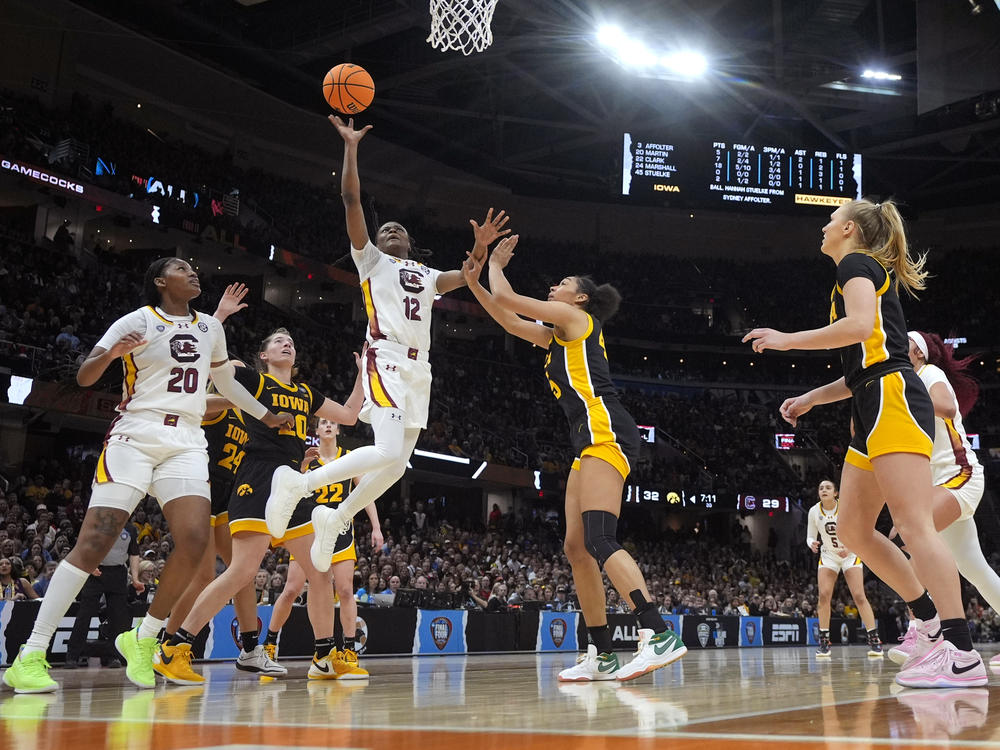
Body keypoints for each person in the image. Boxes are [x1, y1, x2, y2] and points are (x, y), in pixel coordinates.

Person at [1, 257, 289, 694]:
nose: (194, 272)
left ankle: (144, 638)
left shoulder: (211, 328)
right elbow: (84, 376)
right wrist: (112, 354)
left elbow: (225, 383)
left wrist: (265, 415)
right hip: (136, 433)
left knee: (195, 544)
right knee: (95, 541)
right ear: (160, 282)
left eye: (195, 267)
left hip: (188, 439)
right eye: (181, 268)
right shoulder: (137, 320)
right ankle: (32, 653)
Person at [744, 198, 986, 688]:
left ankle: (961, 653)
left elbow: (857, 329)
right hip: (871, 397)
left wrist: (786, 339)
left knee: (913, 524)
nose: (823, 225)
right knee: (853, 530)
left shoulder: (856, 263)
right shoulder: (857, 269)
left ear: (849, 229)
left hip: (892, 397)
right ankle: (930, 622)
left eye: (830, 220)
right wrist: (811, 398)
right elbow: (864, 362)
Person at [263, 115, 507, 575]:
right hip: (387, 356)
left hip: (422, 369)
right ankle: (299, 485)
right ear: (374, 242)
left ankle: (336, 516)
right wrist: (351, 147)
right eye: (384, 229)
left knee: (396, 465)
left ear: (411, 243)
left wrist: (478, 250)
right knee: (390, 450)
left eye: (399, 229)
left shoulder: (428, 276)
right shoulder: (371, 261)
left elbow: (467, 277)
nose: (391, 229)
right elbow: (351, 199)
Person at [462, 229, 687, 682]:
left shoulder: (574, 319)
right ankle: (601, 653)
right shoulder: (559, 338)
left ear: (579, 298)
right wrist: (474, 283)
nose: (554, 288)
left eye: (562, 283)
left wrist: (496, 268)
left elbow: (510, 299)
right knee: (576, 547)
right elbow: (507, 320)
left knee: (601, 538)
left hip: (607, 431)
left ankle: (659, 633)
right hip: (585, 446)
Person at [153, 327, 365, 685]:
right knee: (242, 572)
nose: (288, 344)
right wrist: (218, 333)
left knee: (320, 571)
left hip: (294, 483)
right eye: (279, 341)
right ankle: (175, 647)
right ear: (264, 355)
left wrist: (363, 375)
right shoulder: (253, 381)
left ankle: (325, 656)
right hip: (260, 477)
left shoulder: (304, 392)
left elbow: (348, 415)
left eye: (292, 342)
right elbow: (214, 371)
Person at [161, 284, 281, 678]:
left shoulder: (255, 420)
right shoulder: (218, 406)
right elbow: (202, 399)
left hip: (233, 497)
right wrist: (236, 395)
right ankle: (166, 644)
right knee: (203, 576)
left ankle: (250, 649)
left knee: (242, 574)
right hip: (201, 490)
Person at [888, 331, 1000, 672]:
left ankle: (922, 630)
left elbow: (948, 407)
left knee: (909, 539)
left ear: (919, 353)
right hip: (934, 487)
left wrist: (905, 394)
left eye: (903, 342)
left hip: (960, 476)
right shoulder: (901, 385)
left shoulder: (928, 375)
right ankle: (927, 631)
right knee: (976, 569)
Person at [265, 417, 382, 679]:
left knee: (345, 590)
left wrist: (376, 527)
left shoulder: (349, 458)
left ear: (338, 430)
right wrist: (304, 465)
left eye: (332, 423)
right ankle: (269, 646)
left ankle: (348, 651)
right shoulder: (308, 458)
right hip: (310, 531)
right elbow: (293, 491)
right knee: (292, 588)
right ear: (316, 430)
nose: (328, 426)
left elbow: (365, 493)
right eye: (323, 423)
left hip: (340, 531)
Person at [806, 479, 883, 658]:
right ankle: (824, 642)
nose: (823, 490)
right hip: (828, 555)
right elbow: (810, 536)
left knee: (859, 596)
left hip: (850, 553)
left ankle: (874, 639)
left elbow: (860, 531)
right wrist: (812, 544)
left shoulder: (847, 507)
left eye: (828, 488)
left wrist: (849, 547)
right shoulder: (813, 511)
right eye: (821, 488)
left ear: (836, 493)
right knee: (823, 596)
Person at [64, 522, 143, 669]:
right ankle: (72, 656)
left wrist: (136, 578)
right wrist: (90, 566)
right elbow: (83, 546)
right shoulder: (97, 522)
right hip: (96, 572)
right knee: (85, 614)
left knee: (117, 617)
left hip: (118, 573)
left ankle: (113, 656)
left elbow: (134, 553)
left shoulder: (130, 528)